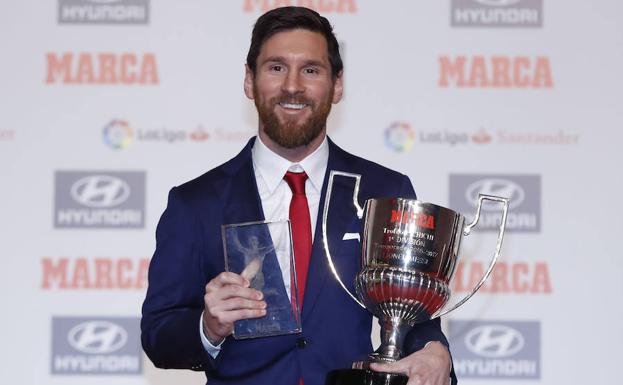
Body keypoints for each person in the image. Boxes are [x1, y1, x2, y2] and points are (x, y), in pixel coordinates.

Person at [141, 6, 456, 385]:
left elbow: (414, 317)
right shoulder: (196, 204)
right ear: (249, 80)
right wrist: (208, 327)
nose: (292, 86)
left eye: (311, 70)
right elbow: (158, 337)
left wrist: (435, 352)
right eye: (276, 68)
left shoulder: (384, 191)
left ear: (337, 85)